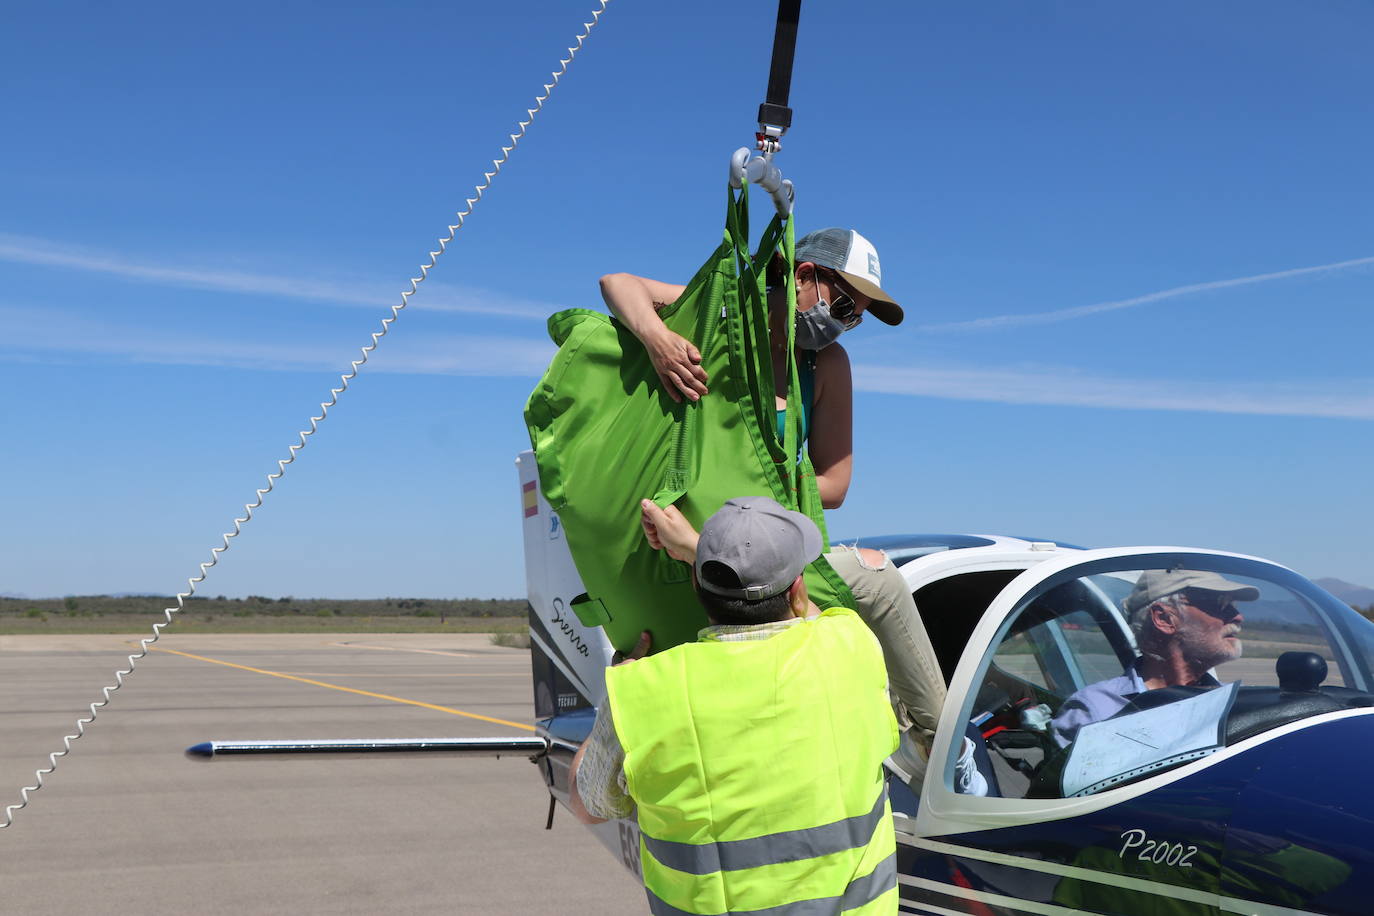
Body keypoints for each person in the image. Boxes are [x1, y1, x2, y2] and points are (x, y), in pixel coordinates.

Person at [600, 229, 948, 766]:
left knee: (871, 580)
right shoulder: (718, 319)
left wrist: (756, 499)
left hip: (750, 546)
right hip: (669, 543)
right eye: (848, 305)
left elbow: (834, 484)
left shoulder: (826, 366)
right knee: (877, 579)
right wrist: (657, 339)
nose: (846, 324)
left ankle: (934, 746)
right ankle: (946, 750)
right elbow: (617, 283)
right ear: (805, 277)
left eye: (856, 319)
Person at [569, 496, 900, 915]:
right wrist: (695, 549)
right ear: (798, 588)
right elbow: (808, 613)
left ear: (695, 587)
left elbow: (589, 804)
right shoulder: (852, 646)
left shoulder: (641, 691)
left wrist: (616, 692)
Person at [1049, 570, 1258, 747]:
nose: (1238, 616)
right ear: (1164, 619)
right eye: (1221, 604)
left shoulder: (1234, 702)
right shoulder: (1095, 711)